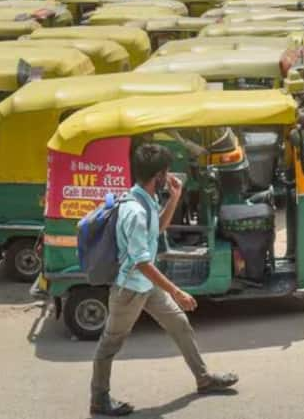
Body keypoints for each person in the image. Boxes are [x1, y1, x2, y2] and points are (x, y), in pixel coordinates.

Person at [90, 143, 237, 417]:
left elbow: (158, 227)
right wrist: (177, 291)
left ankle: (203, 378)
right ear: (157, 175)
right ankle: (99, 398)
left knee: (179, 324)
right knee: (110, 344)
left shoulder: (145, 199)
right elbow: (141, 261)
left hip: (147, 286)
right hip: (129, 290)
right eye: (166, 172)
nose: (170, 176)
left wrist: (174, 198)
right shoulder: (134, 210)